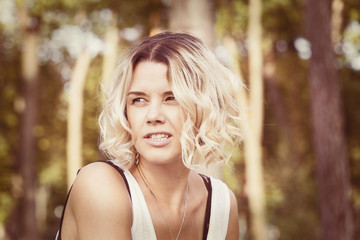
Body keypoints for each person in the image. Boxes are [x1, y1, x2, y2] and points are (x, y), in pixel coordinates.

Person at [56, 31, 243, 240]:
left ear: (204, 107)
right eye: (139, 100)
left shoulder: (221, 204)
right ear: (126, 112)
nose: (153, 116)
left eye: (171, 98)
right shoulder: (100, 185)